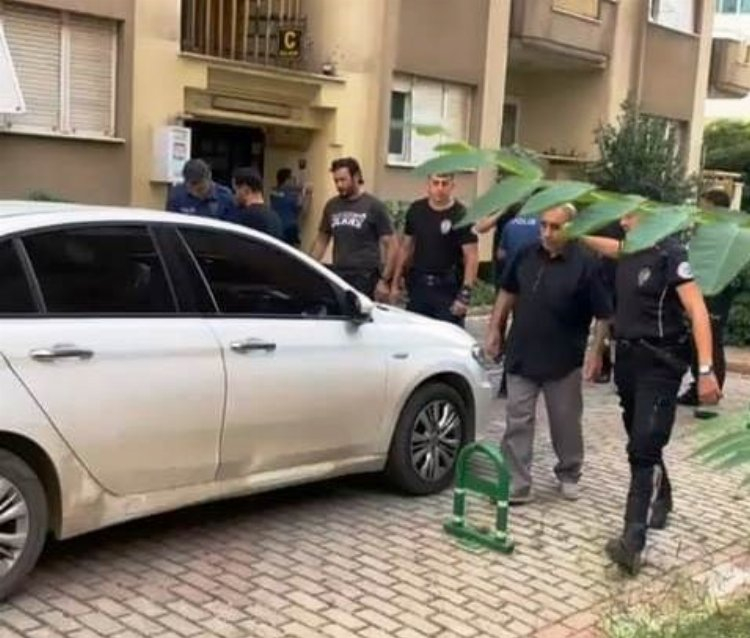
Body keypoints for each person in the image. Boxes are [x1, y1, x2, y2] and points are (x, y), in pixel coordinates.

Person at [581, 215, 721, 575]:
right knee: (641, 440)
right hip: (628, 361)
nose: (623, 220)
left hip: (661, 362)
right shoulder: (629, 251)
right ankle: (663, 495)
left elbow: (698, 310)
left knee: (643, 447)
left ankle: (632, 540)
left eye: (630, 214)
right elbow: (611, 250)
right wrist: (575, 232)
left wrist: (706, 370)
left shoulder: (671, 253)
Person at [484, 204, 612, 504]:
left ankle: (569, 472)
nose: (546, 232)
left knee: (565, 422)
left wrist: (596, 353)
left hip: (563, 358)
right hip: (522, 351)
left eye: (555, 227)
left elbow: (603, 315)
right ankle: (516, 483)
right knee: (517, 420)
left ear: (572, 228)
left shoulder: (587, 263)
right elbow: (507, 292)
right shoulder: (525, 254)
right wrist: (494, 329)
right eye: (543, 225)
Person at [389, 173, 479, 326]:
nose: (440, 188)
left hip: (447, 289)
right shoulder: (416, 210)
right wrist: (395, 283)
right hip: (419, 287)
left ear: (452, 186)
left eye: (445, 183)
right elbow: (406, 248)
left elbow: (471, 256)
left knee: (447, 336)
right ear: (428, 185)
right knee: (416, 334)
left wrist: (465, 295)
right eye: (436, 183)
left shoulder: (461, 215)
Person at [678, 187, 738, 411]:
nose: (701, 210)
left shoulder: (725, 230)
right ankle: (698, 384)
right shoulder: (707, 227)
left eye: (704, 206)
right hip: (703, 286)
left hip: (717, 289)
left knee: (711, 337)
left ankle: (712, 388)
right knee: (698, 335)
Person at [310, 157, 397, 301]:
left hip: (366, 276)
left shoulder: (373, 206)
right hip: (340, 274)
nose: (339, 185)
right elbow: (322, 239)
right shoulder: (332, 206)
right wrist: (310, 265)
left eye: (343, 180)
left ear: (356, 177)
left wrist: (384, 280)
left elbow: (391, 245)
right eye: (336, 181)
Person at [166, 158, 234, 219]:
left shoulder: (224, 196)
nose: (195, 188)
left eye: (200, 188)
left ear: (209, 177)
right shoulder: (177, 195)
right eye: (192, 184)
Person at [227, 167, 283, 239]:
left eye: (235, 190)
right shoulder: (275, 217)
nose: (234, 196)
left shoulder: (245, 217)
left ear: (246, 189)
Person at [269, 168, 310, 247]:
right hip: (289, 230)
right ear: (287, 180)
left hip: (276, 230)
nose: (294, 181)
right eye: (293, 178)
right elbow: (302, 207)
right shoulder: (291, 195)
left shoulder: (274, 192)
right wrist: (306, 192)